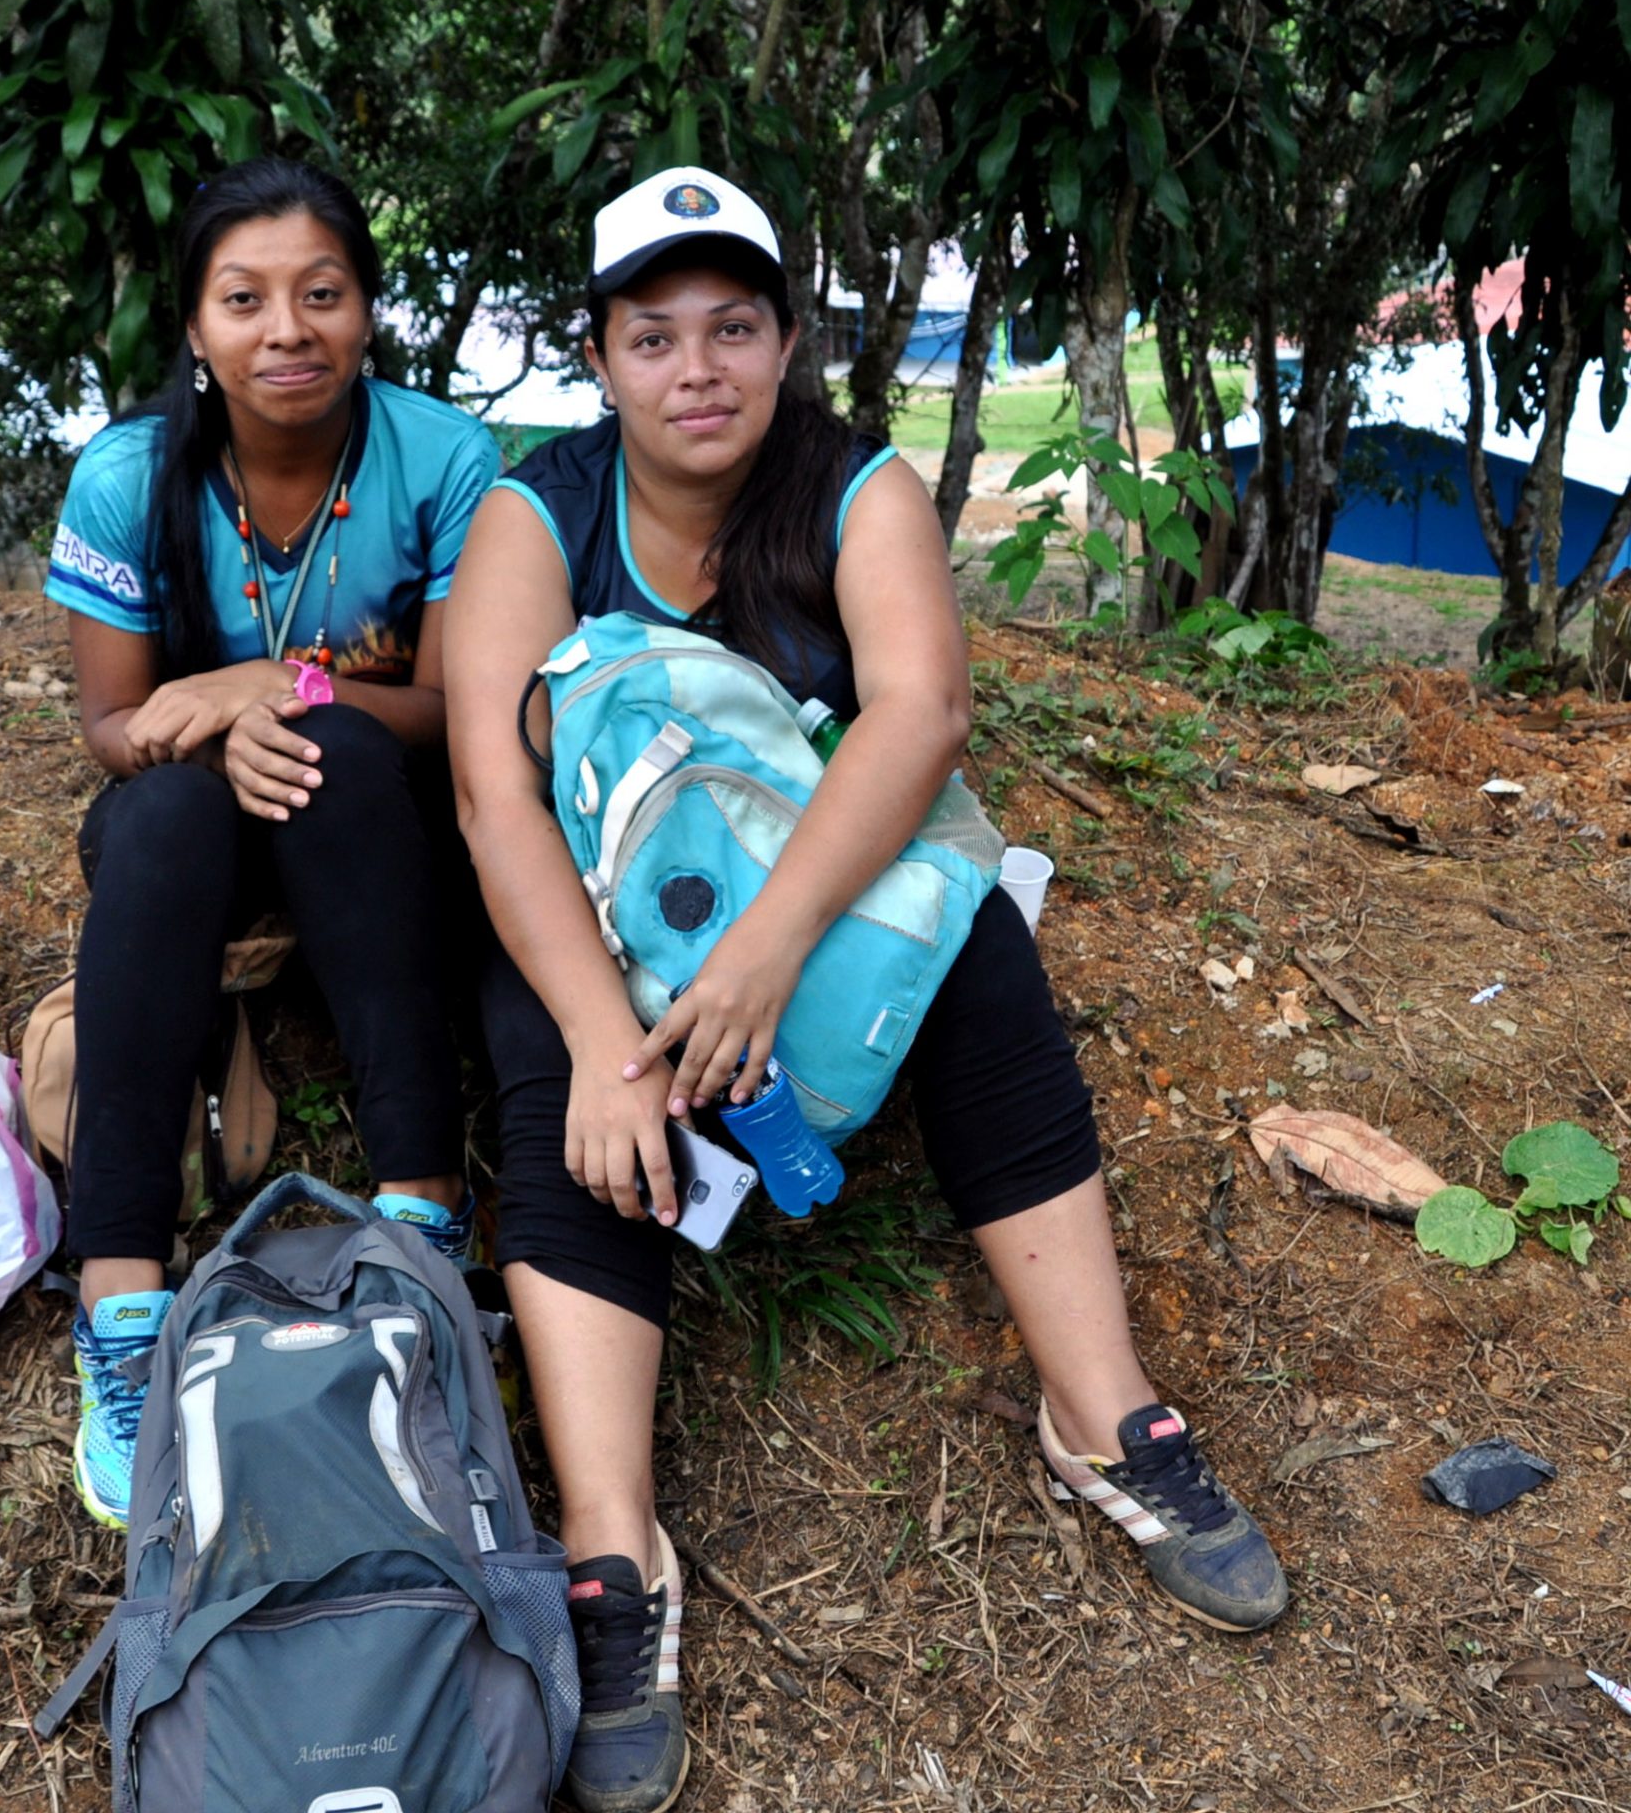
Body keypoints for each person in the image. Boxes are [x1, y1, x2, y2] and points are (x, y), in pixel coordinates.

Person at [445, 167, 1288, 1813]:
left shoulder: (855, 488)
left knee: (974, 944)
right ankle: (617, 1553)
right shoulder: (535, 514)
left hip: (807, 893)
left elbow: (920, 718)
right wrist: (611, 1044)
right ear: (602, 358)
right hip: (609, 919)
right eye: (654, 334)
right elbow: (493, 795)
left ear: (787, 341)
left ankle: (1103, 1418)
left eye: (735, 328)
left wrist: (767, 955)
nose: (699, 369)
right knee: (556, 1078)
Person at [45, 158, 498, 1530]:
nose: (285, 330)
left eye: (321, 293)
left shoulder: (441, 459)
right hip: (186, 827)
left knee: (343, 746)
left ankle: (420, 1216)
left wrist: (273, 689)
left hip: (375, 809)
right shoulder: (128, 476)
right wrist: (209, 730)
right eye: (244, 299)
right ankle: (121, 1306)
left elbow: (462, 709)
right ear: (195, 326)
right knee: (174, 805)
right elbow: (117, 729)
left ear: (367, 311)